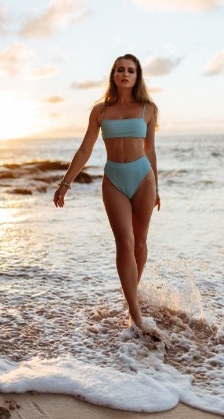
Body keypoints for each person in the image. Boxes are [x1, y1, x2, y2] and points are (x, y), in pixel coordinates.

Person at [54, 54, 161, 338]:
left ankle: (131, 300)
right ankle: (136, 316)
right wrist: (66, 182)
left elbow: (150, 151)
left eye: (130, 71)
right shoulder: (100, 111)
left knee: (140, 242)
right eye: (120, 70)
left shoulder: (149, 109)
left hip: (143, 178)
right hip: (114, 179)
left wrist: (157, 187)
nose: (125, 74)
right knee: (124, 243)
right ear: (113, 75)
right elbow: (85, 150)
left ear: (137, 77)